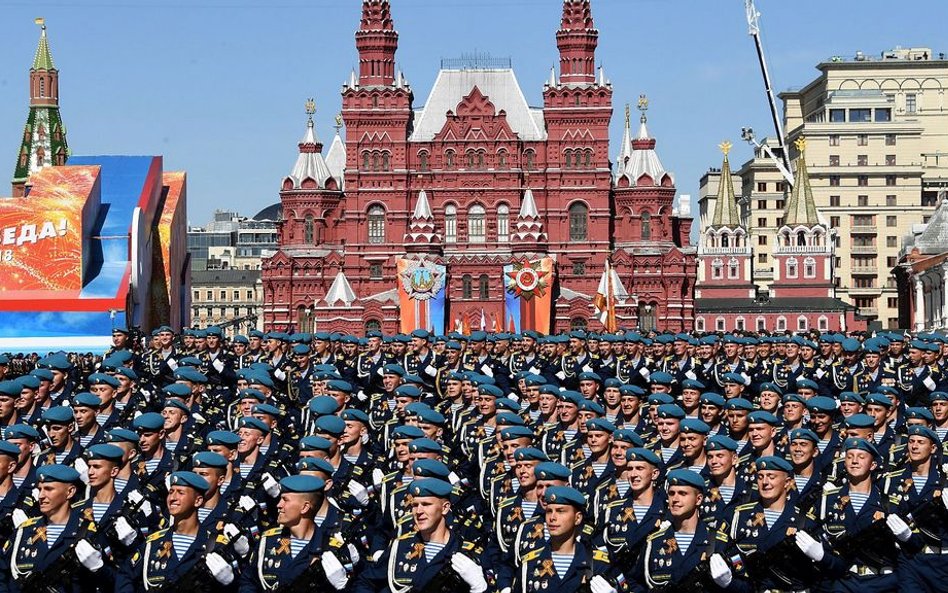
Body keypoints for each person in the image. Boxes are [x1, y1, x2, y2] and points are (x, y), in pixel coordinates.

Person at [354, 477, 489, 593]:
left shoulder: (467, 553)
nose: (419, 511)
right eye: (415, 505)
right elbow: (365, 582)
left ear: (445, 508)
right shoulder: (400, 546)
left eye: (426, 504)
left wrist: (480, 589)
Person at [238, 474, 358, 592]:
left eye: (285, 500)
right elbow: (248, 581)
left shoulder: (332, 549)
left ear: (305, 507)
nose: (278, 505)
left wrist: (343, 588)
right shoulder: (268, 541)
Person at [0, 464, 104, 593]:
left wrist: (99, 569)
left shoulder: (87, 532)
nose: (41, 496)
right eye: (40, 489)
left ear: (70, 492)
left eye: (49, 489)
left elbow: (112, 580)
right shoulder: (25, 530)